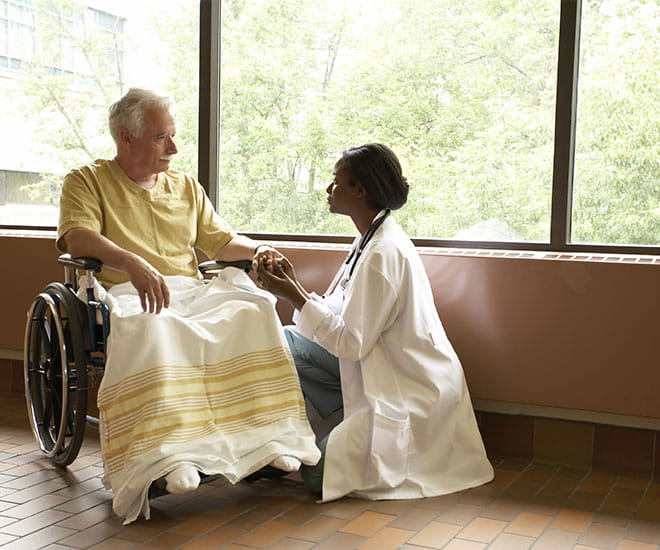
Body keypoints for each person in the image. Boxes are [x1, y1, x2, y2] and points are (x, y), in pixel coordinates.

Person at [57, 88, 320, 524]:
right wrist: (132, 261)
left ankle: (268, 440)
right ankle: (167, 456)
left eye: (173, 136)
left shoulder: (185, 186)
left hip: (190, 289)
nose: (174, 148)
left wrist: (260, 250)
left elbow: (221, 241)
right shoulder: (86, 180)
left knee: (253, 309)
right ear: (126, 137)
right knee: (155, 325)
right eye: (162, 138)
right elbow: (77, 238)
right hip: (126, 291)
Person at [257, 143, 494, 502]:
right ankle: (291, 434)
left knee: (317, 475)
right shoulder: (368, 238)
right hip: (372, 367)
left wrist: (294, 296)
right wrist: (295, 287)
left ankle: (332, 434)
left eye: (336, 182)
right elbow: (343, 311)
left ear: (360, 190)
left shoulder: (383, 252)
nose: (328, 189)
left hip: (410, 389)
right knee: (283, 341)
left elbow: (351, 342)